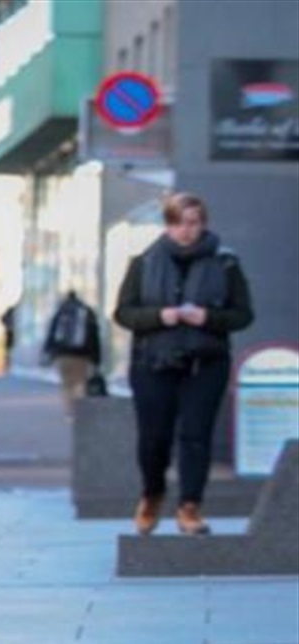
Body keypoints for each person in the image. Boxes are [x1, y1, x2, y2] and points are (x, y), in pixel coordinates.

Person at [114, 192, 253, 537]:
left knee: (195, 436)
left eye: (192, 222)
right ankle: (152, 494)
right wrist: (160, 316)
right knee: (154, 439)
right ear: (167, 224)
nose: (185, 230)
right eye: (177, 222)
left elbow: (243, 314)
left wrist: (207, 317)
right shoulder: (144, 262)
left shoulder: (226, 263)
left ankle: (190, 506)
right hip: (153, 362)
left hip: (205, 363)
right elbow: (123, 312)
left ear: (203, 224)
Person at [42, 290, 102, 418]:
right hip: (82, 355)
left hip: (62, 355)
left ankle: (70, 412)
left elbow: (52, 333)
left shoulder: (61, 311)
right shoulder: (87, 311)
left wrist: (48, 352)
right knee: (80, 384)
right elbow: (94, 336)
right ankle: (79, 412)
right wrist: (96, 359)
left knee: (67, 385)